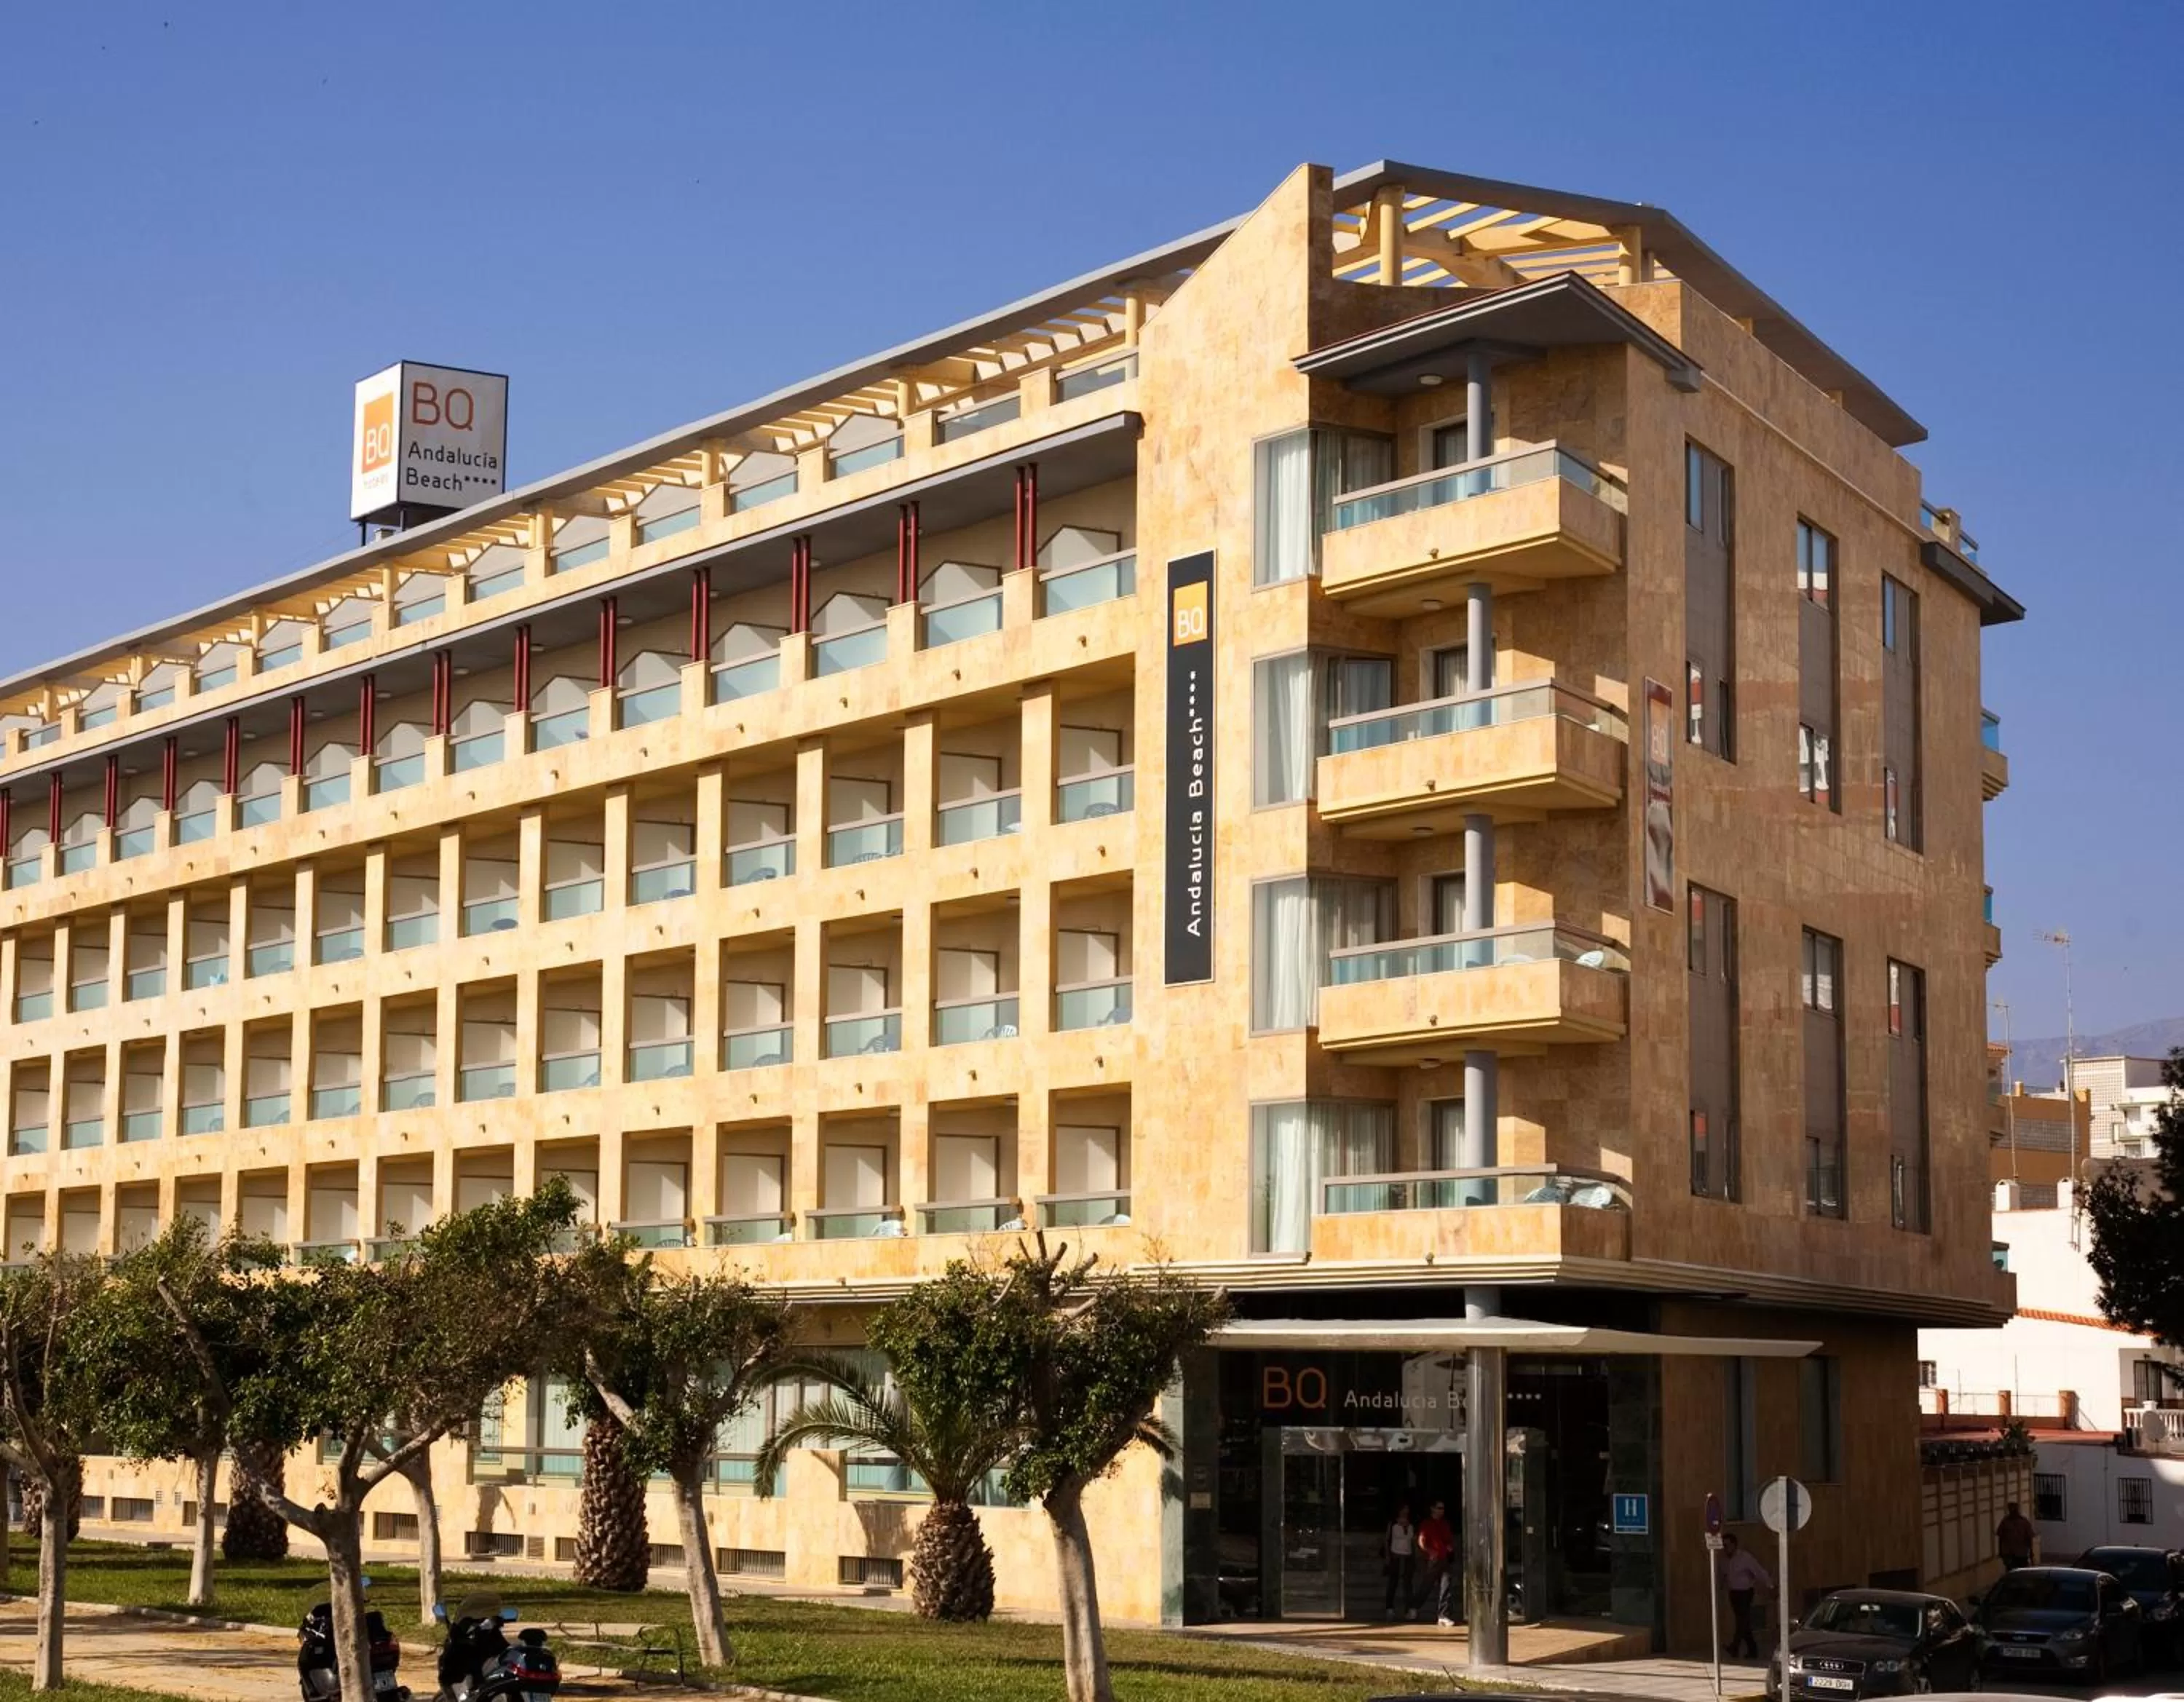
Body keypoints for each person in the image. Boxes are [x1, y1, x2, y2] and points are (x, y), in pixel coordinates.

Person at [1720, 1532, 1773, 1659]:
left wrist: (1770, 1585)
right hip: (1734, 1593)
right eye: (1724, 1546)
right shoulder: (1724, 1560)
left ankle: (1734, 1647)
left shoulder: (1745, 1558)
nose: (1725, 1548)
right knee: (1744, 1623)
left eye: (1727, 1545)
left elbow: (1758, 1571)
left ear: (1734, 1545)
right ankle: (1753, 1650)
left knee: (1741, 1621)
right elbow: (1724, 1576)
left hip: (1745, 1593)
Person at [1415, 1499, 1458, 1626]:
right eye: (1439, 1508)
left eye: (1443, 1509)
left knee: (1446, 1585)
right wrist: (1430, 1551)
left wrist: (1449, 1547)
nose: (1441, 1511)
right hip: (1433, 1560)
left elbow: (1448, 1539)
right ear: (1432, 1509)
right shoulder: (1427, 1524)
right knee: (1427, 1585)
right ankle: (1414, 1606)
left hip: (1444, 1558)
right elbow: (1421, 1540)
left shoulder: (1445, 1524)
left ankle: (1443, 1615)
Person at [1383, 1503, 1417, 1618]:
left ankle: (1410, 1609)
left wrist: (1414, 1556)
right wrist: (1388, 1556)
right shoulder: (1393, 1523)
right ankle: (1389, 1608)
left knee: (1408, 1583)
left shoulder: (1411, 1524)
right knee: (1393, 1582)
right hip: (1395, 1555)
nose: (1406, 1511)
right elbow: (1387, 1539)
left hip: (1407, 1555)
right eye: (1404, 1509)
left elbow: (1412, 1541)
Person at [1995, 1501, 2034, 1570]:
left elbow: (2029, 1538)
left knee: (2022, 1572)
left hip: (2022, 1554)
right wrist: (2001, 1552)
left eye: (2015, 1509)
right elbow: (2001, 1537)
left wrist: (2031, 1552)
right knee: (2011, 1572)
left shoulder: (2024, 1522)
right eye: (2011, 1509)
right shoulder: (2005, 1522)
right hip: (2009, 1554)